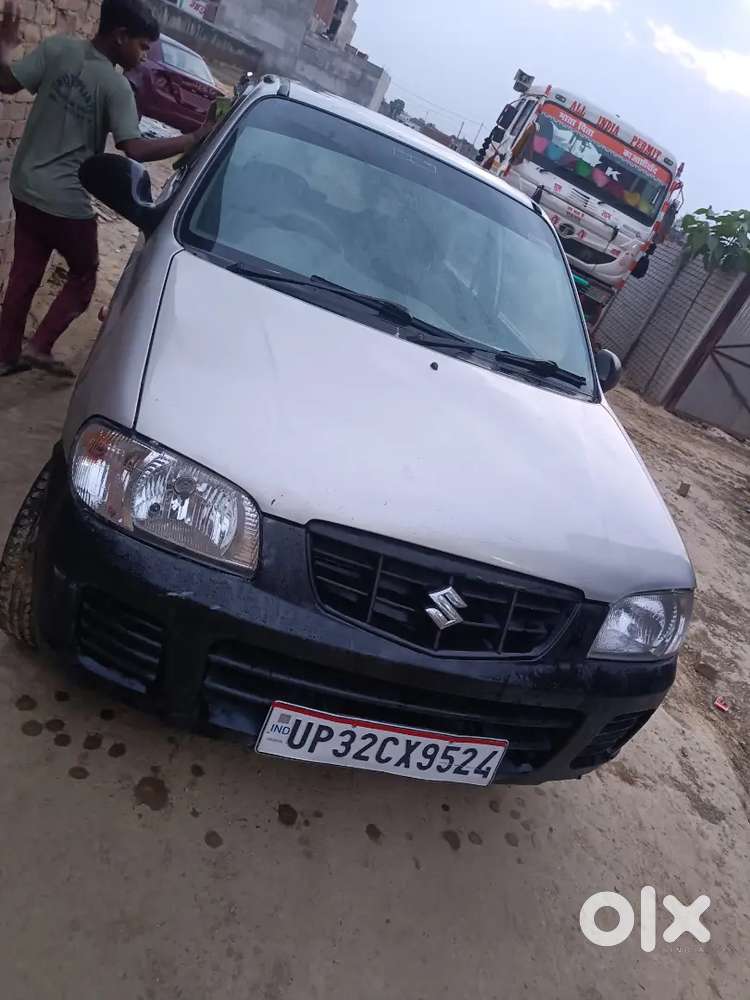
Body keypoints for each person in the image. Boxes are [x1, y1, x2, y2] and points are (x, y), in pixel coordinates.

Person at [0, 0, 212, 377]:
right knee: (84, 274)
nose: (145, 57)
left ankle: (7, 353)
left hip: (25, 184)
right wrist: (192, 139)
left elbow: (6, 82)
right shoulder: (116, 87)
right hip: (65, 199)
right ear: (120, 36)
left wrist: (5, 45)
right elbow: (135, 149)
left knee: (24, 274)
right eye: (143, 47)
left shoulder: (58, 48)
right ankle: (40, 345)